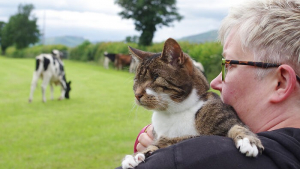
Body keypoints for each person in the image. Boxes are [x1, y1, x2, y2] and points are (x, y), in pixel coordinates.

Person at [116, 0, 300, 168]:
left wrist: (161, 157)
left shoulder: (192, 157)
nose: (214, 81)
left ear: (280, 82)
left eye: (228, 65)